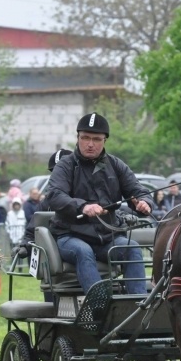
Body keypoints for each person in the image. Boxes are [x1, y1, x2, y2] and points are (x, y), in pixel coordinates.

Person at [46, 113, 153, 295]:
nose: (90, 144)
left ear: (105, 141)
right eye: (85, 138)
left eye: (96, 139)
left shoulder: (116, 165)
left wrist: (144, 203)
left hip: (106, 238)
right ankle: (100, 306)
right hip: (70, 236)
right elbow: (54, 194)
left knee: (132, 248)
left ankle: (137, 305)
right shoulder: (65, 165)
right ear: (78, 138)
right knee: (83, 251)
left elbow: (138, 191)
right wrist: (83, 206)